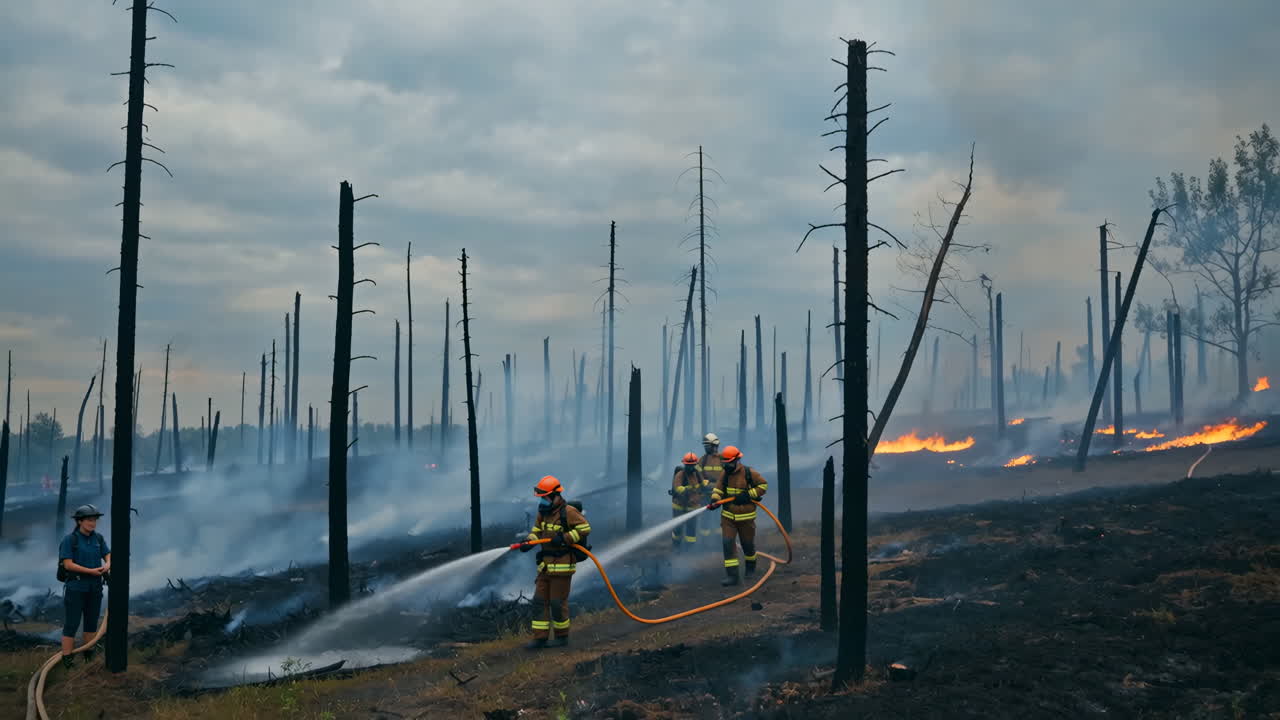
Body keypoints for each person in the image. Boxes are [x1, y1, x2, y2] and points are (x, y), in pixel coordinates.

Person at [520, 476, 591, 649]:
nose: (543, 501)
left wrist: (565, 538)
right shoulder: (542, 513)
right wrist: (528, 542)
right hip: (545, 566)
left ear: (555, 496)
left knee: (557, 603)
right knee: (538, 601)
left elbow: (585, 528)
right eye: (541, 498)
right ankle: (540, 638)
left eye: (545, 497)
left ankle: (561, 637)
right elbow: (536, 532)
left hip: (562, 566)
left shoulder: (568, 512)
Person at [59, 504, 110, 668]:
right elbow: (67, 564)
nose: (93, 523)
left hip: (95, 588)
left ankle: (89, 657)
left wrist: (108, 565)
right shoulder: (70, 540)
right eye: (89, 520)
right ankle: (68, 661)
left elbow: (108, 555)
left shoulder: (98, 538)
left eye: (95, 520)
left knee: (91, 624)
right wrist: (90, 571)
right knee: (72, 624)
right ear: (80, 521)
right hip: (76, 588)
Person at [709, 446, 768, 586]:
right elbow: (718, 488)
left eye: (728, 463)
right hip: (728, 518)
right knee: (727, 544)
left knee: (747, 546)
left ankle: (750, 569)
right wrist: (715, 499)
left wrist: (748, 495)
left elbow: (763, 486)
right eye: (724, 463)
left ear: (737, 460)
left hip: (746, 518)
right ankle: (732, 576)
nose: (726, 466)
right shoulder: (725, 474)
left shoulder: (749, 473)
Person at [670, 452, 709, 550]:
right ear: (685, 464)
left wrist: (704, 487)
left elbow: (703, 486)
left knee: (691, 529)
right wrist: (690, 488)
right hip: (679, 506)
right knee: (678, 528)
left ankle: (689, 548)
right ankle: (676, 546)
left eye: (693, 465)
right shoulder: (680, 475)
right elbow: (678, 489)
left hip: (692, 506)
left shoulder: (697, 474)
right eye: (688, 465)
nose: (691, 467)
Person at [696, 433, 726, 544]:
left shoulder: (723, 459)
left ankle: (718, 541)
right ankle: (705, 542)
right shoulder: (702, 460)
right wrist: (703, 484)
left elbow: (727, 474)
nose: (706, 448)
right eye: (705, 446)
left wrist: (718, 486)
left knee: (719, 518)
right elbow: (698, 475)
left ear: (715, 445)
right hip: (706, 495)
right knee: (705, 519)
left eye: (707, 446)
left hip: (719, 495)